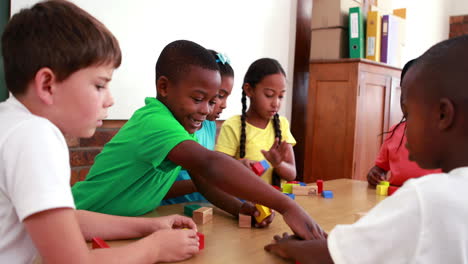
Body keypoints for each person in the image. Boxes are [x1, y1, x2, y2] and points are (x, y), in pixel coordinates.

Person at [0, 1, 200, 263]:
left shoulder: (12, 123)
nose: (110, 100)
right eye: (99, 85)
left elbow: (66, 221)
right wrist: (153, 249)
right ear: (47, 84)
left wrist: (150, 226)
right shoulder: (34, 137)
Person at [72, 40, 325, 239]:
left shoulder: (181, 128)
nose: (206, 110)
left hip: (114, 227)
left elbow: (202, 181)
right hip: (78, 220)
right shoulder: (155, 121)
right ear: (164, 87)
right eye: (197, 98)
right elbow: (209, 165)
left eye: (212, 100)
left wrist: (239, 209)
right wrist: (286, 205)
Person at [264, 35, 468, 263]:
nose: (404, 125)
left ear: (443, 115)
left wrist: (290, 248)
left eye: (409, 114)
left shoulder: (428, 197)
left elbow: (336, 256)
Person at [161, 49, 234, 205]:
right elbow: (208, 167)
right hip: (169, 209)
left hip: (200, 207)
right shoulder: (169, 126)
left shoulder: (208, 125)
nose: (224, 105)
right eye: (220, 96)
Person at [215, 58, 297, 187]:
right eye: (269, 95)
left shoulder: (282, 124)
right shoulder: (233, 125)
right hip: (243, 202)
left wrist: (278, 164)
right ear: (249, 90)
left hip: (275, 202)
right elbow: (218, 170)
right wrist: (239, 166)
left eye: (280, 96)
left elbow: (291, 174)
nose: (276, 103)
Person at [367, 59, 441, 187]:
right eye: (405, 91)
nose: (408, 99)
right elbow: (380, 168)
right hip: (398, 199)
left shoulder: (447, 135)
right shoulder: (394, 131)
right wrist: (374, 174)